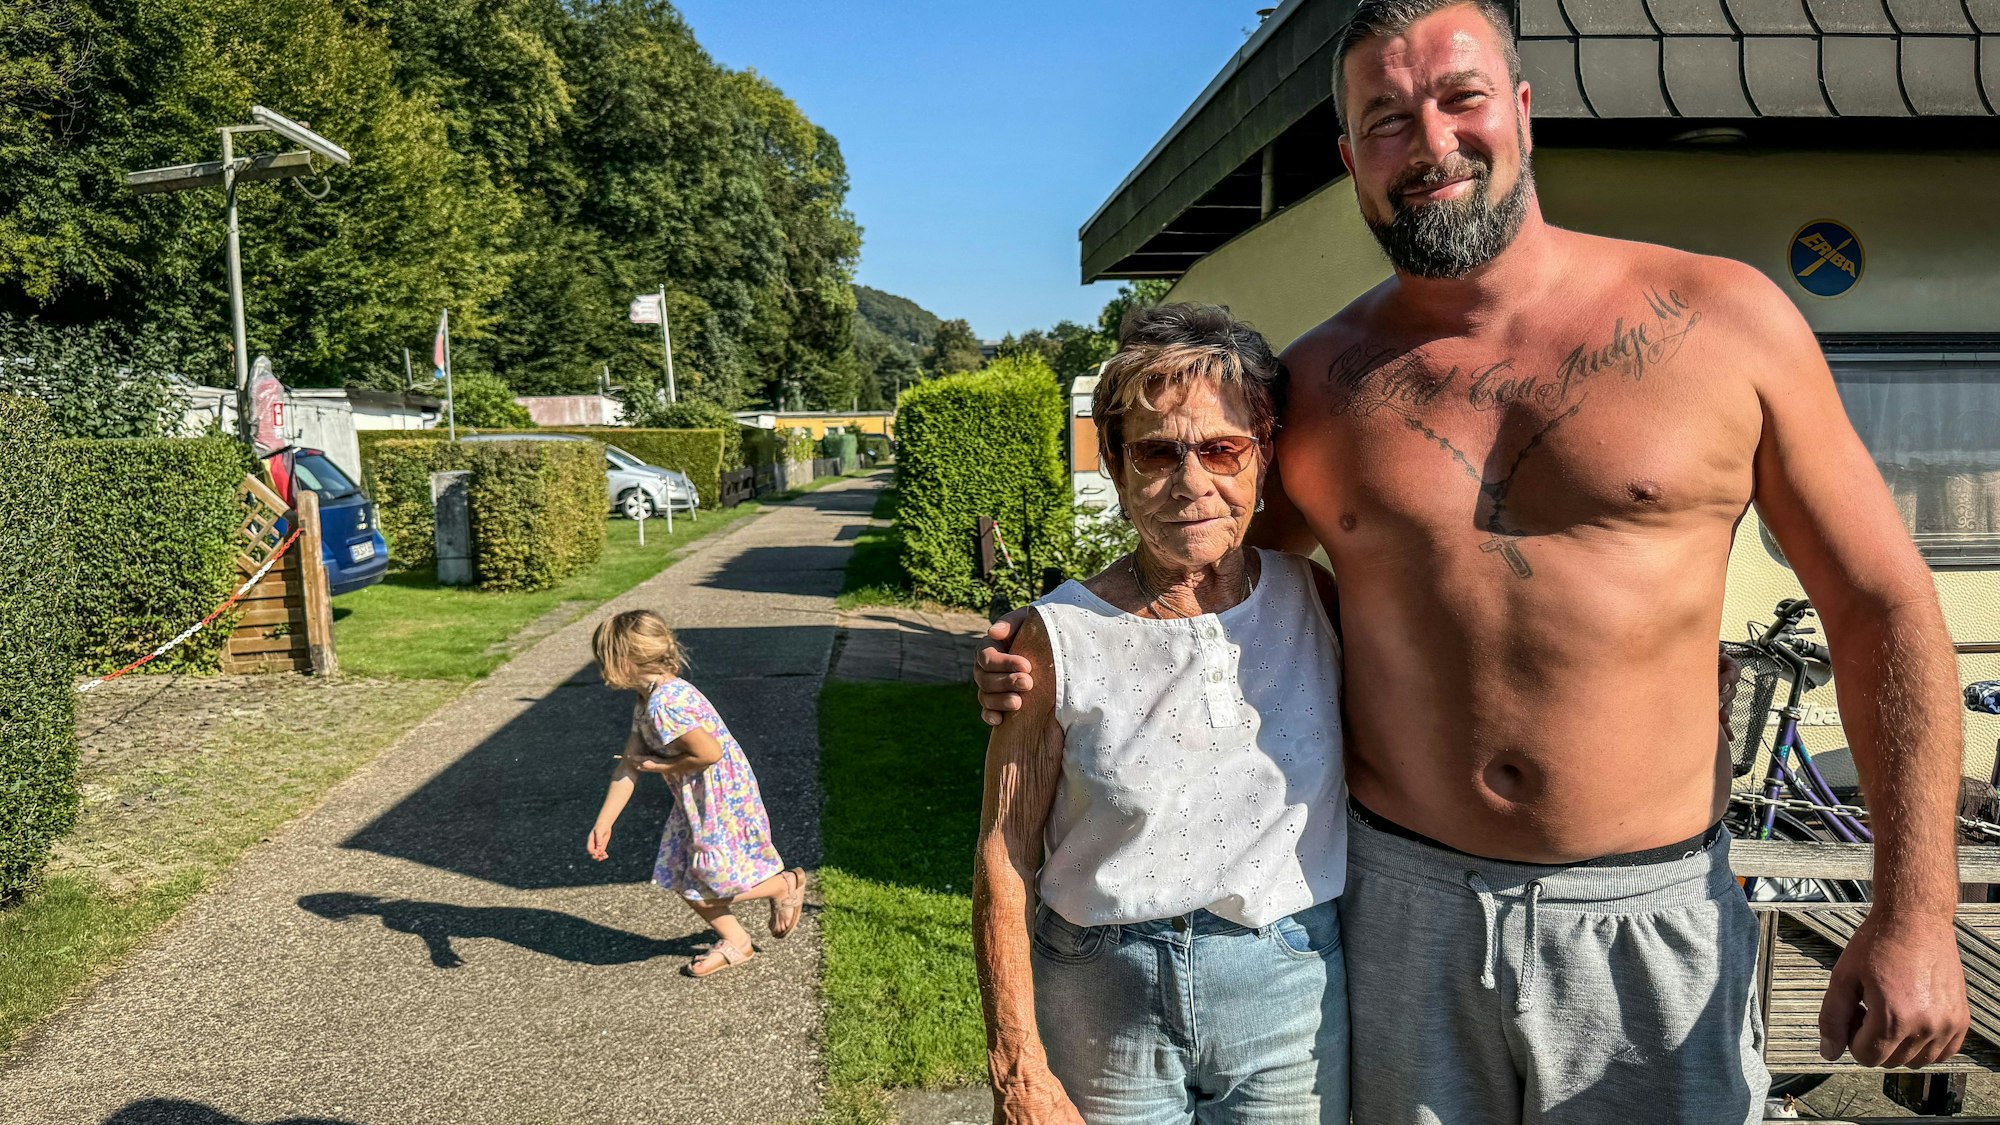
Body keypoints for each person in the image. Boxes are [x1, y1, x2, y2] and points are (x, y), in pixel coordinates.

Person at [978, 0, 1970, 1120]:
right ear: (1350, 159)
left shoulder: (1724, 323)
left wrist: (1913, 910)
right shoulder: (1317, 387)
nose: (1431, 142)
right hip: (1402, 911)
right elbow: (1195, 568)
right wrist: (1045, 644)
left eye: (1459, 98)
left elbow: (1882, 607)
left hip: (1648, 919)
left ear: (1521, 111)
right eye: (1387, 120)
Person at [975, 304, 1348, 1125]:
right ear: (1113, 463)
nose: (1191, 482)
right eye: (1155, 452)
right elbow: (1004, 853)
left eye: (1222, 449)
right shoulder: (1054, 635)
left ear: (1263, 454)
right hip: (1103, 990)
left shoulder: (1316, 599)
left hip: (1287, 984)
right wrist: (1015, 1063)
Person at [587, 608, 807, 978]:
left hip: (721, 800)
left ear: (623, 660)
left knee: (706, 882)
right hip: (697, 798)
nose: (601, 668)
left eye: (604, 659)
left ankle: (783, 884)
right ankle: (736, 941)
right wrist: (604, 821)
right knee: (682, 875)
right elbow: (630, 763)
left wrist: (663, 767)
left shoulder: (664, 704)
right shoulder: (647, 700)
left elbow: (709, 753)